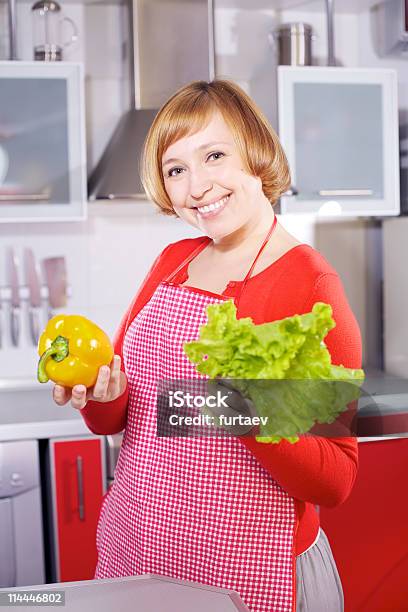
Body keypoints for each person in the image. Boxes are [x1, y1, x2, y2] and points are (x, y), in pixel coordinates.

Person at [52, 79, 362, 612]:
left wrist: (249, 413)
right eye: (176, 169)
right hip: (144, 551)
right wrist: (99, 395)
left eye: (213, 155)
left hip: (250, 573)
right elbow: (134, 416)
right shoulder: (172, 262)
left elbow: (336, 478)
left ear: (255, 153)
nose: (197, 187)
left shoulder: (310, 285)